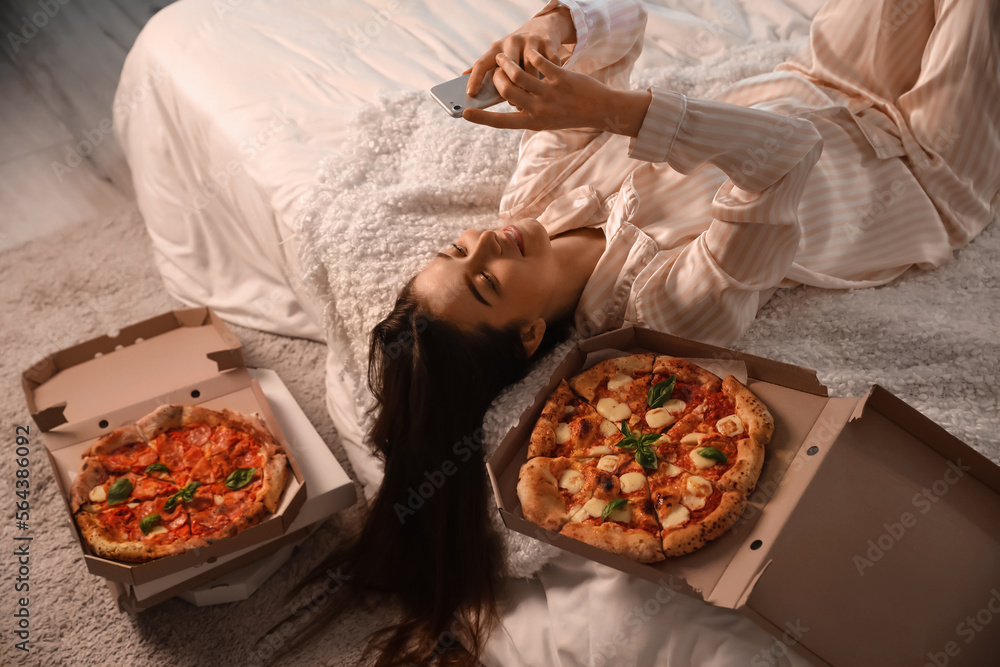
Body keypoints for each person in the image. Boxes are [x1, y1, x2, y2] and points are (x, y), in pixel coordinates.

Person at [280, 0, 999, 665]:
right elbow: (787, 157)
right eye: (487, 282)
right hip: (921, 171)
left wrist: (549, 31)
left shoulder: (535, 198)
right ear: (531, 336)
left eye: (457, 250)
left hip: (827, 77)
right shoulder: (662, 313)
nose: (487, 244)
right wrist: (617, 111)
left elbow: (623, 21)